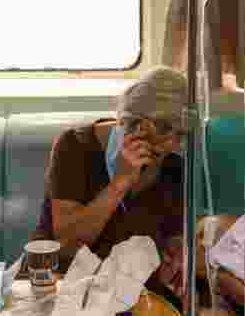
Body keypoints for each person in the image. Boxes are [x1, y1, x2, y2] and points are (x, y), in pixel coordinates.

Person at [31, 66, 188, 298]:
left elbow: (171, 242)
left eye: (181, 135)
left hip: (131, 294)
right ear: (134, 122)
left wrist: (177, 257)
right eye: (165, 130)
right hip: (60, 285)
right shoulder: (75, 147)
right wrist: (121, 182)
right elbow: (67, 245)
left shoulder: (174, 167)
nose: (172, 145)